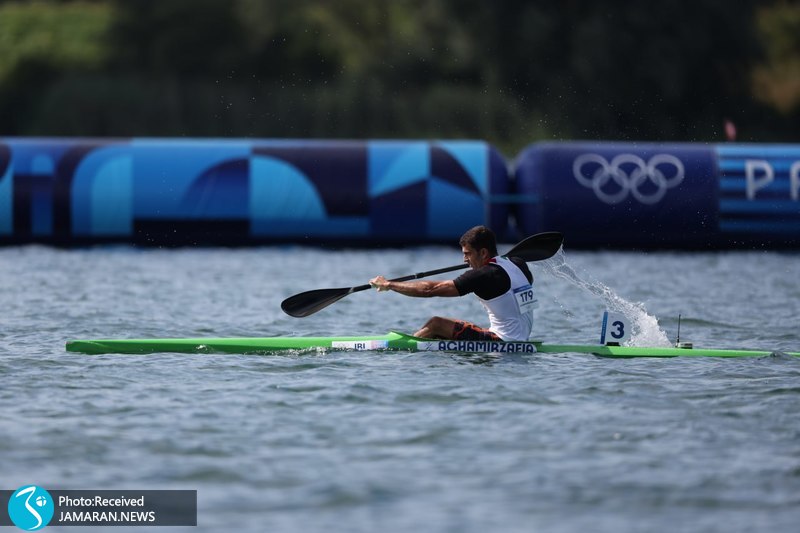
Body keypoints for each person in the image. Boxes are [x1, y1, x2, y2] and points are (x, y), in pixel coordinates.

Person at [369, 225, 535, 341]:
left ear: (483, 252)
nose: (465, 260)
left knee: (436, 324)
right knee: (441, 331)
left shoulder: (484, 275)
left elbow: (430, 289)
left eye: (468, 254)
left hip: (502, 342)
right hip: (521, 340)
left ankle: (405, 351)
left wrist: (389, 284)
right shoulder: (518, 264)